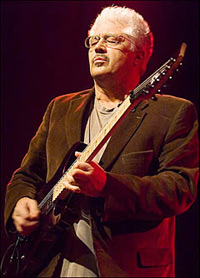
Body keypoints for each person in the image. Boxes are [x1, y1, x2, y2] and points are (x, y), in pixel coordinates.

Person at [4, 5, 199, 278]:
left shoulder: (173, 113)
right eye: (94, 40)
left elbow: (180, 188)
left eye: (112, 40)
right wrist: (20, 202)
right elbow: (27, 175)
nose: (98, 47)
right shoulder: (60, 108)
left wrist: (107, 186)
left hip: (124, 268)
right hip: (52, 265)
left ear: (139, 55)